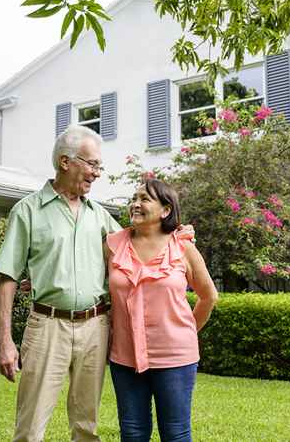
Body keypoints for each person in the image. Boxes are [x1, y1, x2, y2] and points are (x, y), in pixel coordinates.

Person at [0, 125, 121, 442]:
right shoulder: (27, 211)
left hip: (95, 326)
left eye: (99, 166)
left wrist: (174, 233)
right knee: (30, 426)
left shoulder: (100, 216)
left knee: (86, 427)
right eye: (92, 164)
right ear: (65, 162)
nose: (97, 173)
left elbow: (133, 251)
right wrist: (5, 341)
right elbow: (7, 277)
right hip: (47, 326)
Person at [105, 179, 219, 442]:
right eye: (134, 198)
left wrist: (186, 332)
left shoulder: (183, 247)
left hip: (176, 359)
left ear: (165, 210)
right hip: (125, 358)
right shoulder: (112, 245)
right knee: (132, 432)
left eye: (144, 199)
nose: (136, 204)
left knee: (176, 434)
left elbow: (208, 296)